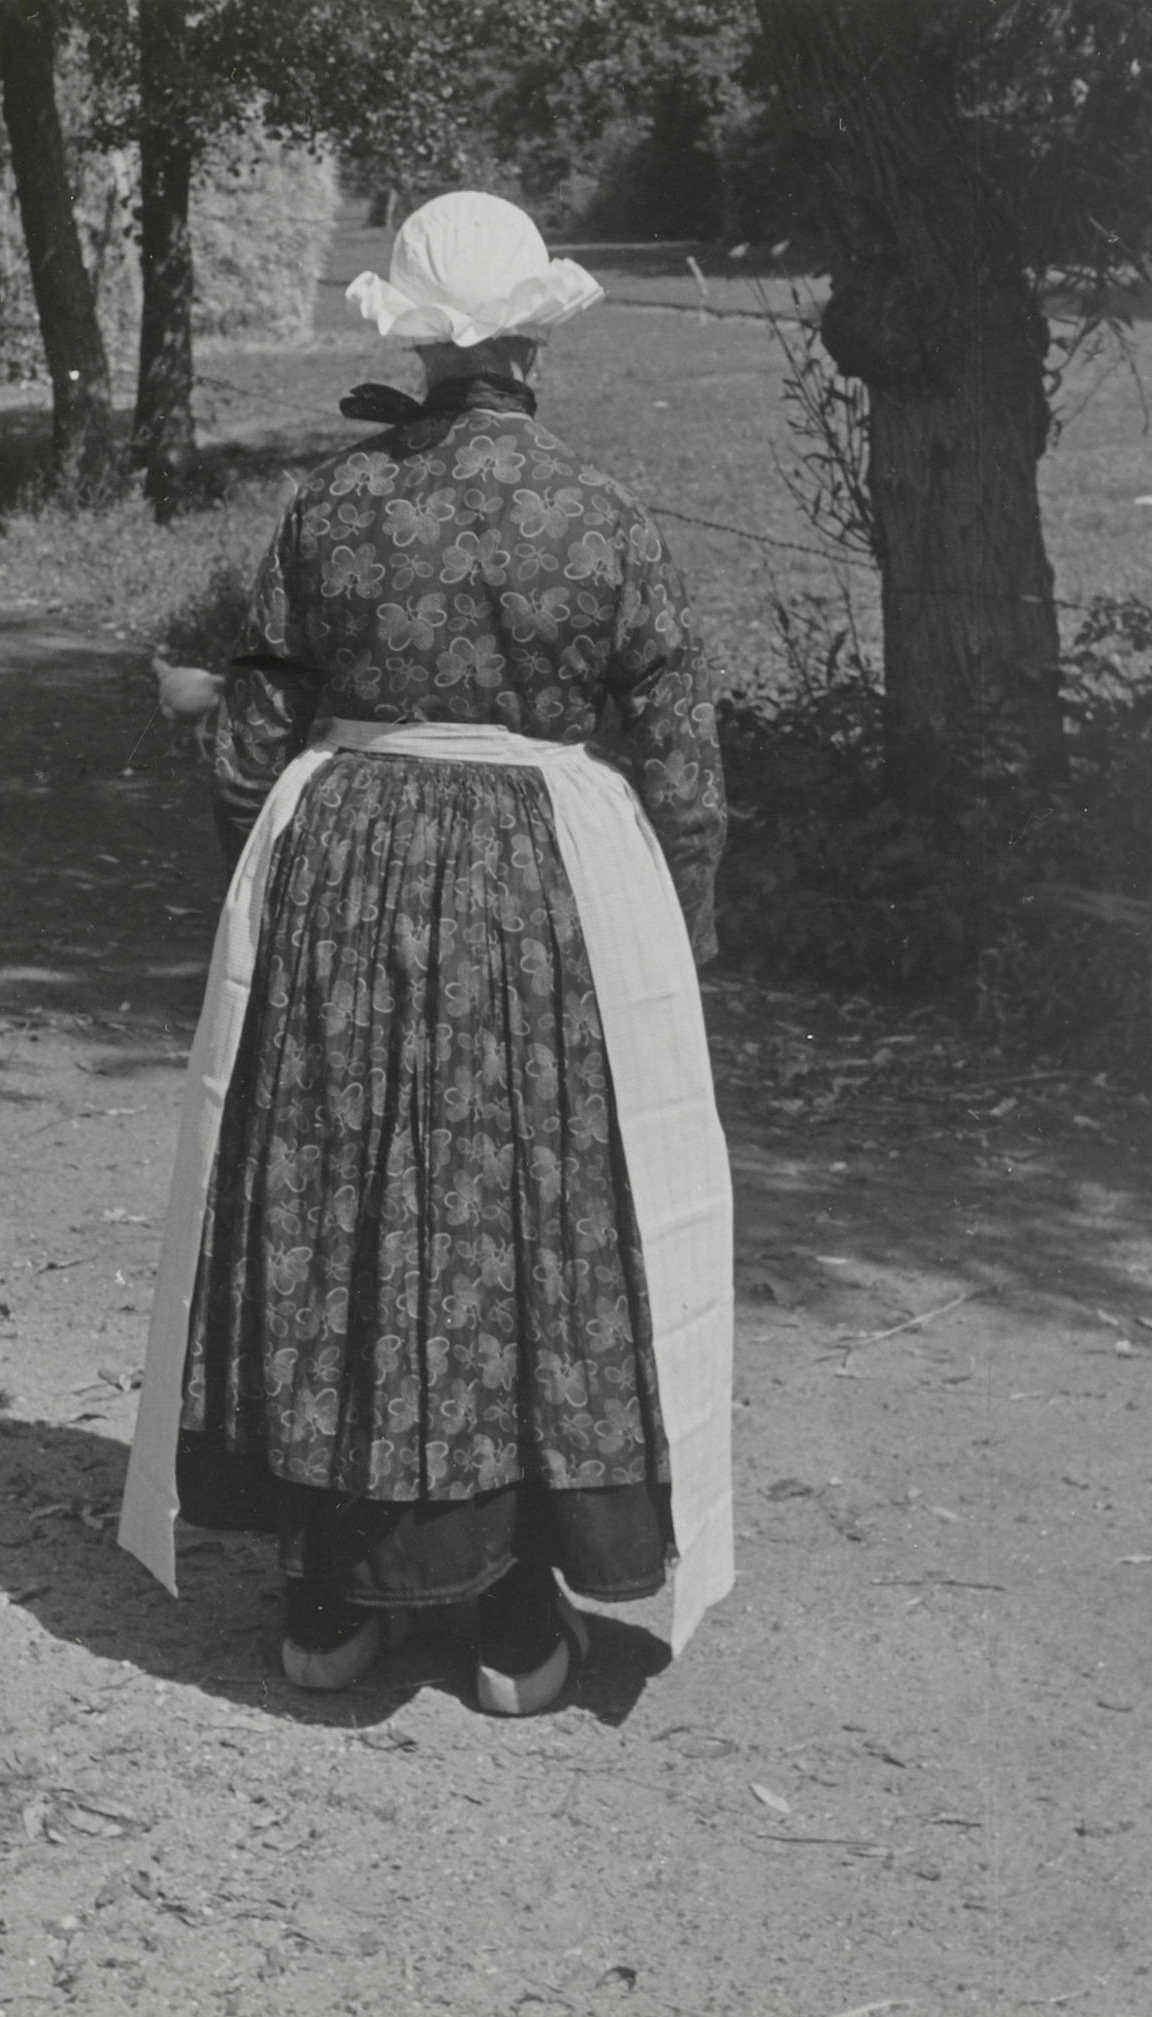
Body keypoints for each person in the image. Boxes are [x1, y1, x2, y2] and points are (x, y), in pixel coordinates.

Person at [120, 192, 733, 1716]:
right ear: (533, 341)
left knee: (342, 1200)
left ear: (414, 339)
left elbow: (254, 732)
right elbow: (682, 757)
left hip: (347, 875)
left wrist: (263, 892)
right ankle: (515, 1615)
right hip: (543, 894)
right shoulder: (603, 515)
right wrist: (680, 935)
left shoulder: (331, 509)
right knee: (522, 1217)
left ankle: (330, 1597)